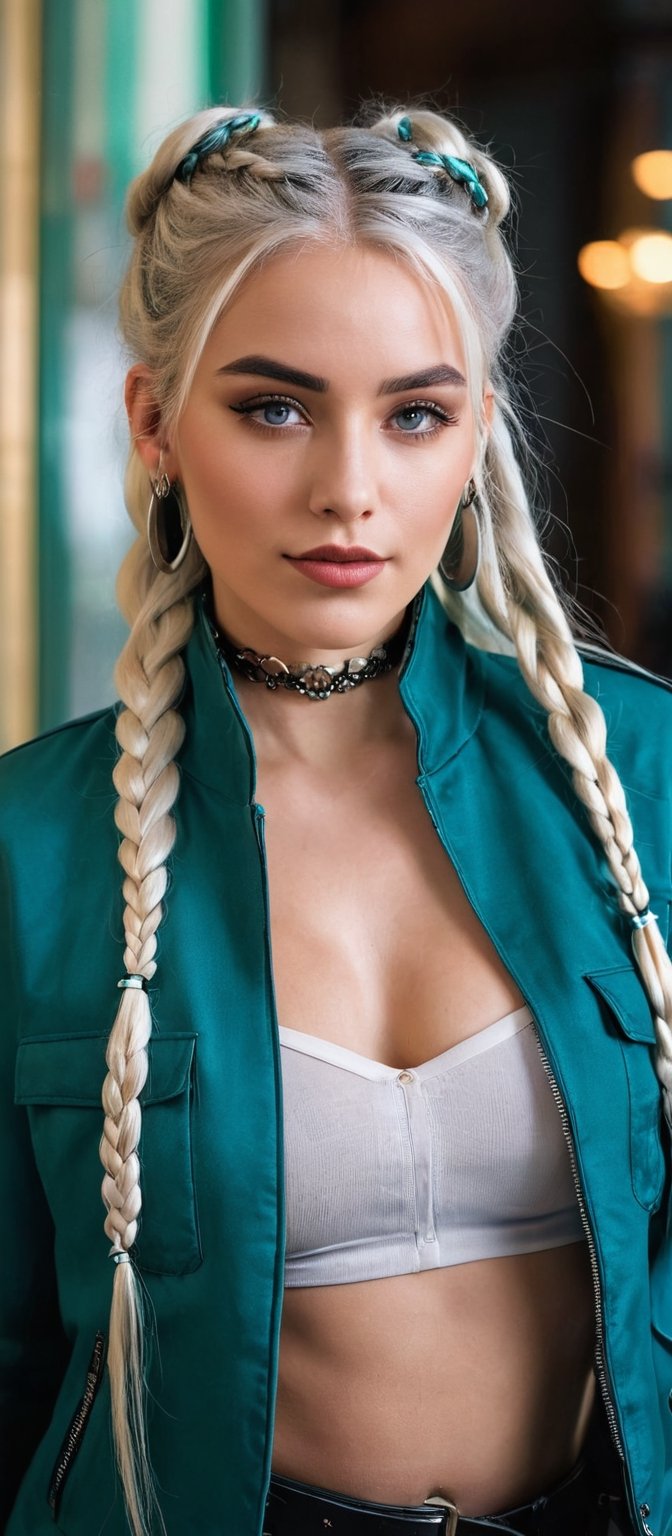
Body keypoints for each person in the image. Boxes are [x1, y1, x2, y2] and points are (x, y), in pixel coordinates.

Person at [1, 99, 671, 1536]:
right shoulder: (32, 851)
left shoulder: (646, 784)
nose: (349, 491)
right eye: (273, 407)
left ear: (478, 433)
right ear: (155, 423)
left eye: (416, 413)